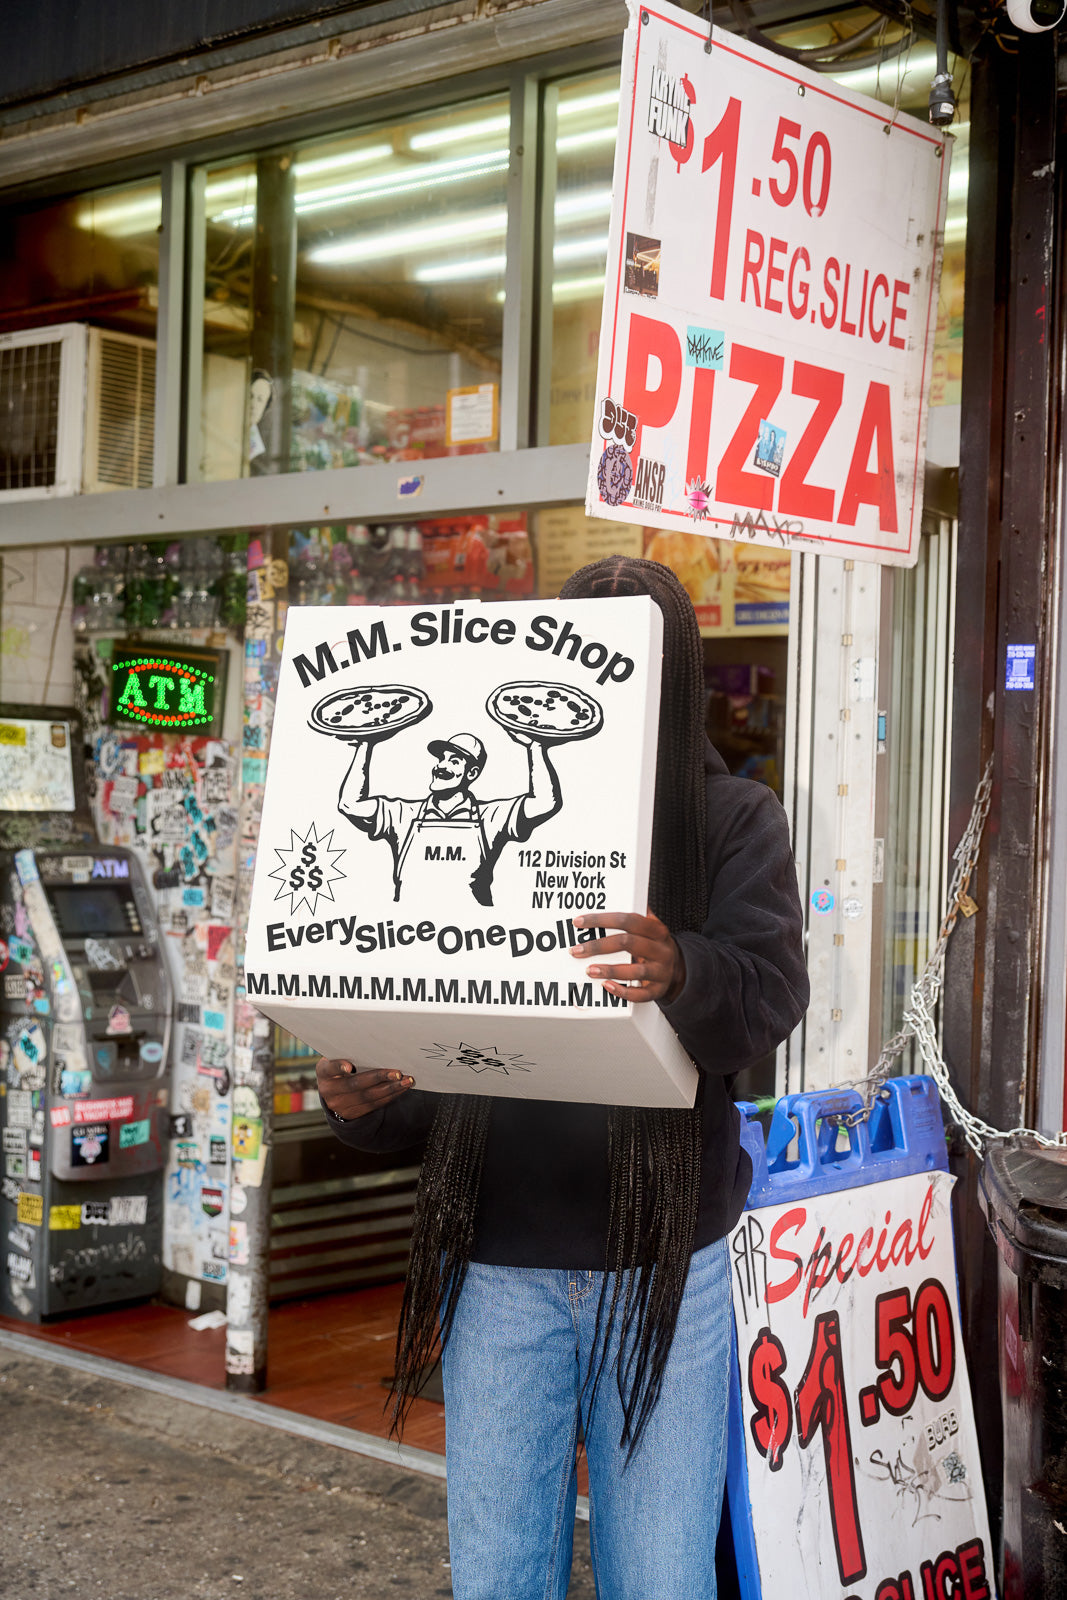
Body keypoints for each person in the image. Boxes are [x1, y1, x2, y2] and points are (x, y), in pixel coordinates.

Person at [316, 555, 809, 1599]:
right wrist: (363, 1102)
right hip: (496, 1258)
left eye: (625, 663)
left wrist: (684, 964)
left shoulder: (731, 818)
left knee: (662, 1575)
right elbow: (444, 1038)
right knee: (499, 1574)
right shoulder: (492, 815)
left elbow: (765, 1000)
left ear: (671, 674)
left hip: (668, 1266)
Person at [336, 722, 562, 905]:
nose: (441, 766)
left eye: (454, 761)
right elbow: (350, 805)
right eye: (441, 759)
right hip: (407, 933)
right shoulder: (404, 814)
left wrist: (536, 747)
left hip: (478, 934)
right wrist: (365, 745)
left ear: (471, 773)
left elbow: (545, 802)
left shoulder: (491, 816)